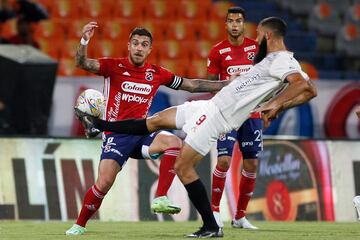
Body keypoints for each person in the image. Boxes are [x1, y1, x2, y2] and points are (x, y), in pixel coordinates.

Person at [76, 17, 317, 238]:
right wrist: (278, 107)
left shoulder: (282, 61)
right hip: (210, 106)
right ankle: (102, 125)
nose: (255, 39)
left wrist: (274, 104)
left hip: (219, 117)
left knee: (183, 165)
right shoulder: (278, 61)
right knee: (156, 120)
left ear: (267, 35)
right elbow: (310, 89)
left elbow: (299, 85)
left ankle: (211, 226)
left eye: (258, 35)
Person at [66, 22, 230, 235]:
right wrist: (84, 40)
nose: (139, 48)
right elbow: (82, 63)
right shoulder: (113, 66)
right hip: (117, 135)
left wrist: (226, 84)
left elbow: (192, 85)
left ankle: (160, 196)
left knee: (174, 142)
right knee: (104, 183)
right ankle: (79, 224)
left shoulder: (156, 73)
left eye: (144, 44)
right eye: (135, 43)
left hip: (143, 133)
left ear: (150, 49)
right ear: (128, 46)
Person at [207, 7, 260, 230]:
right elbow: (210, 85)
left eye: (239, 21)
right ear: (226, 25)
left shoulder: (256, 49)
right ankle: (214, 211)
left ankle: (239, 217)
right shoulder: (217, 51)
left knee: (251, 163)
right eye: (231, 21)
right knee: (224, 161)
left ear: (244, 24)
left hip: (252, 114)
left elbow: (263, 79)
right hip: (228, 114)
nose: (235, 25)